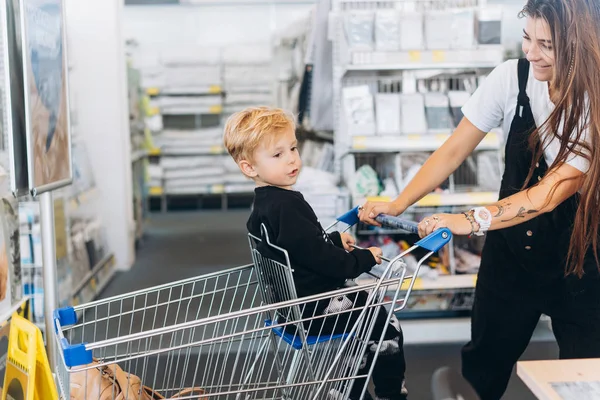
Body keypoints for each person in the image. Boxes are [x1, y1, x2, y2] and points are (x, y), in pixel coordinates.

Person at [359, 0, 600, 399]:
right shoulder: (511, 77)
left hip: (579, 262)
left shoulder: (592, 102)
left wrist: (469, 220)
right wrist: (399, 202)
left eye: (547, 44)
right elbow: (454, 149)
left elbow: (548, 193)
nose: (531, 52)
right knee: (483, 365)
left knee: (583, 377)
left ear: (578, 44)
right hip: (511, 257)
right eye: (527, 38)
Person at [224, 106, 408, 400]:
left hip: (292, 308)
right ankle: (388, 393)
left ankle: (350, 390)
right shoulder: (288, 206)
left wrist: (334, 239)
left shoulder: (266, 205)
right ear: (249, 167)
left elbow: (299, 248)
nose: (292, 159)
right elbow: (326, 263)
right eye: (278, 154)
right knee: (382, 319)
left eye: (293, 148)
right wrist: (363, 258)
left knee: (363, 317)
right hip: (314, 308)